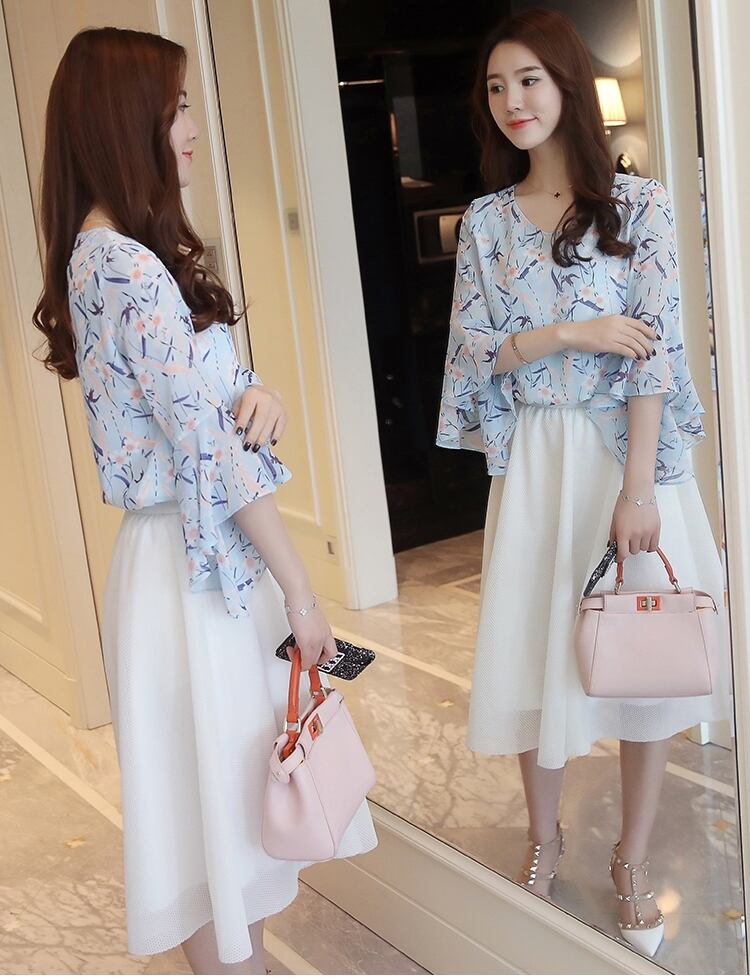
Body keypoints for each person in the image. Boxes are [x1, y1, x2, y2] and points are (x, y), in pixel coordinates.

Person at [32, 26, 377, 975]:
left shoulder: (109, 256)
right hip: (196, 567)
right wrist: (301, 591)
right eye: (178, 108)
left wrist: (257, 394)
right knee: (218, 812)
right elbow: (209, 455)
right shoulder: (124, 265)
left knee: (213, 810)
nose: (191, 128)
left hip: (183, 559)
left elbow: (201, 407)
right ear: (128, 120)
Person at [437, 7, 730, 958]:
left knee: (645, 659)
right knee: (537, 650)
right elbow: (473, 354)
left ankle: (631, 859)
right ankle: (544, 837)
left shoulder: (639, 206)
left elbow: (657, 355)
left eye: (528, 79)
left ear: (566, 84)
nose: (512, 101)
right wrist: (570, 333)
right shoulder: (486, 222)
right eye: (496, 86)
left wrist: (638, 490)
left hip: (622, 460)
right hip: (536, 464)